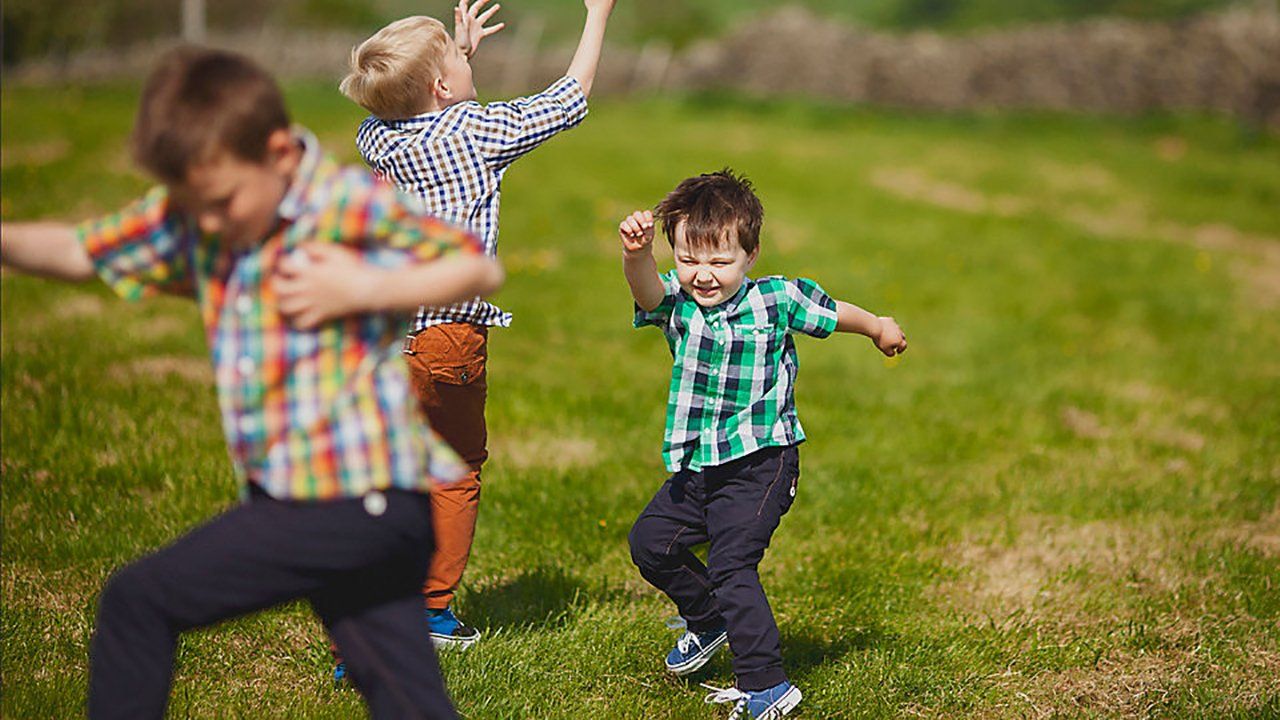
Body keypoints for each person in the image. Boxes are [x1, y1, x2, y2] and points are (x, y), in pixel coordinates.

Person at [0, 46, 504, 719]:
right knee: (405, 697)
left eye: (221, 202)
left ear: (278, 154)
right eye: (193, 206)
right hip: (363, 512)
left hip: (349, 497)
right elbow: (79, 249)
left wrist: (368, 285)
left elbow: (474, 268)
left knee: (139, 600)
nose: (208, 224)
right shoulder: (205, 214)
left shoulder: (342, 204)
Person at [337, 0, 615, 649]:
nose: (467, 61)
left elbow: (423, 108)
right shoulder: (476, 134)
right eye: (459, 61)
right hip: (448, 339)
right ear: (440, 86)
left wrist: (456, 59)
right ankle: (430, 614)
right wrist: (596, 16)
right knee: (455, 468)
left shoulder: (376, 136)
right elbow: (568, 99)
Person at [619, 170, 907, 719]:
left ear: (751, 254)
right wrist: (636, 255)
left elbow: (834, 312)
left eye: (720, 262)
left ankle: (767, 687)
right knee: (651, 543)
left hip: (762, 462)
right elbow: (647, 289)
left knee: (732, 566)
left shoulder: (777, 299)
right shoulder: (677, 303)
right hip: (700, 463)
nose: (703, 276)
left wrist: (877, 326)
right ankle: (708, 621)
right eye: (688, 260)